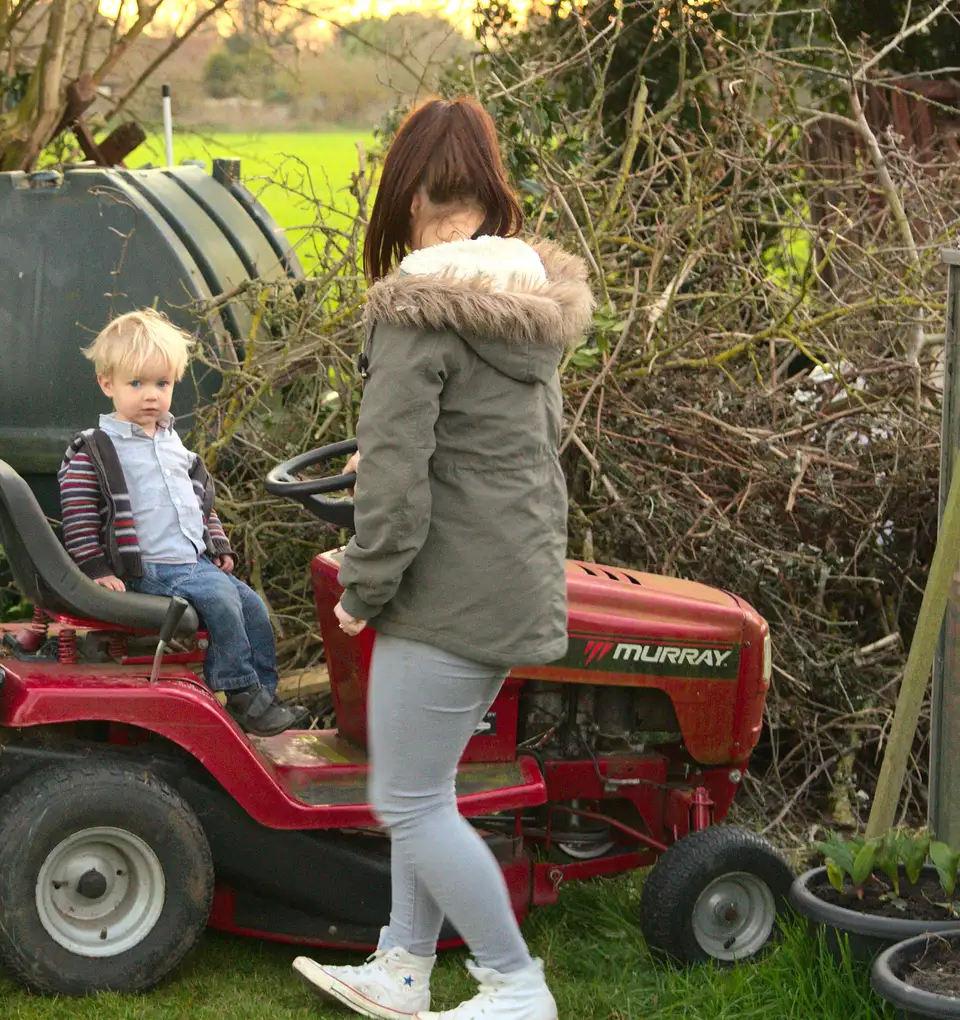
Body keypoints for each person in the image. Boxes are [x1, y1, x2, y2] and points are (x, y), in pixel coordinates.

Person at [291, 96, 594, 1020]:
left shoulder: (416, 306)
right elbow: (499, 448)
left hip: (446, 591)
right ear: (489, 192)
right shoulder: (522, 299)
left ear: (409, 196)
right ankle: (404, 966)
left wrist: (363, 585)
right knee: (429, 789)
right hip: (509, 572)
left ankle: (514, 984)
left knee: (409, 796)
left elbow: (396, 477)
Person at [58, 308, 308, 737]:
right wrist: (96, 569)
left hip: (193, 564)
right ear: (107, 383)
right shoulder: (96, 450)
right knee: (223, 603)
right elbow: (77, 513)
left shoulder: (175, 446)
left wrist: (219, 544)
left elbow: (200, 504)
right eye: (136, 384)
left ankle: (265, 696)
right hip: (149, 568)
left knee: (252, 607)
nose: (150, 395)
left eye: (162, 383)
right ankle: (240, 692)